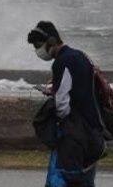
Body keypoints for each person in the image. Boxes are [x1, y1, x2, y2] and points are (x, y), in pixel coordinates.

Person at [28, 20, 105, 187]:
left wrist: (56, 112)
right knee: (85, 181)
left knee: (59, 180)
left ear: (52, 41)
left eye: (39, 45)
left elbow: (62, 104)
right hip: (93, 135)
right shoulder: (80, 56)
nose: (37, 50)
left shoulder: (62, 62)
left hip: (74, 137)